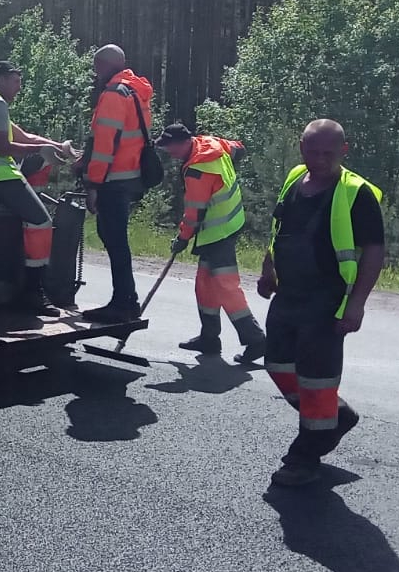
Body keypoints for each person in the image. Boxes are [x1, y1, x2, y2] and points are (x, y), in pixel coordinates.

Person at [257, 119, 384, 486]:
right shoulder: (296, 178)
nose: (320, 159)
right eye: (313, 151)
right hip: (288, 295)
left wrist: (356, 305)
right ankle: (336, 417)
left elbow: (374, 251)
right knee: (278, 364)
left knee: (316, 380)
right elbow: (279, 231)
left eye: (329, 153)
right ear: (302, 148)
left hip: (327, 301)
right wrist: (269, 272)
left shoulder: (355, 192)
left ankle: (305, 457)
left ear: (343, 151)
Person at [0, 60, 77, 317]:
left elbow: (25, 137)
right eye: (16, 81)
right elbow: (3, 148)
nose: (19, 87)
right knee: (41, 222)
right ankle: (33, 291)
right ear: (1, 80)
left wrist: (58, 146)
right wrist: (41, 152)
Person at [155, 123, 266, 363]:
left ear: (186, 143)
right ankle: (209, 338)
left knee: (225, 287)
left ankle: (256, 340)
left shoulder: (198, 170)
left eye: (171, 149)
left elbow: (193, 213)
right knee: (205, 284)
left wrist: (182, 239)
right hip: (227, 224)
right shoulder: (210, 143)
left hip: (220, 231)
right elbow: (238, 148)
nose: (170, 154)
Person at [78, 44, 154, 323]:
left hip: (111, 180)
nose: (94, 71)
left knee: (114, 240)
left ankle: (124, 302)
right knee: (115, 239)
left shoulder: (113, 94)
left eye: (96, 66)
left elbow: (104, 146)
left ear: (104, 65)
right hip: (129, 177)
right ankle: (124, 300)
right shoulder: (135, 91)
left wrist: (93, 185)